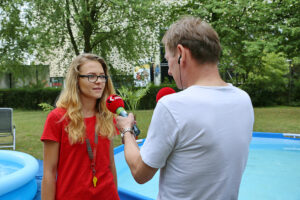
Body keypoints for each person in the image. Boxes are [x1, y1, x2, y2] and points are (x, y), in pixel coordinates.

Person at [116, 16, 254, 200]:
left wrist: (126, 130)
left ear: (181, 53)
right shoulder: (243, 99)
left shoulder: (172, 106)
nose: (170, 71)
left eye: (168, 60)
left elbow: (140, 173)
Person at [41, 53, 120, 200]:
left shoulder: (107, 115)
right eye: (91, 76)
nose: (99, 81)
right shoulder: (58, 118)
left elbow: (110, 165)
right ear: (76, 80)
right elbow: (49, 173)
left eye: (102, 76)